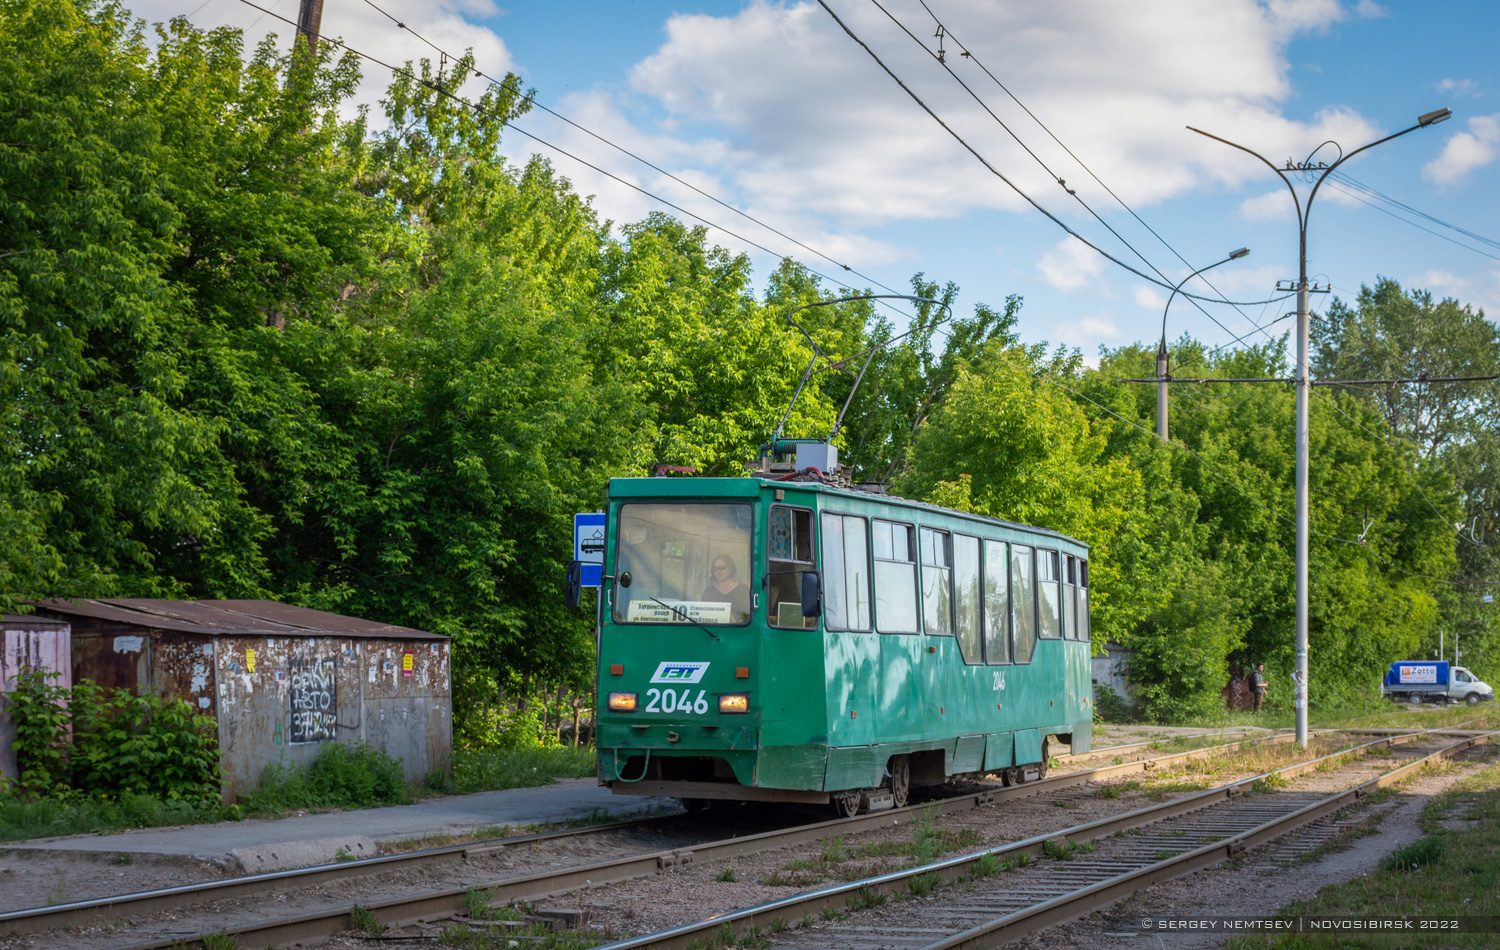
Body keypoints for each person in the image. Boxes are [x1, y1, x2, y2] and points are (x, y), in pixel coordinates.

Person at [699, 554, 750, 622]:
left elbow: (747, 616)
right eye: (715, 569)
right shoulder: (708, 592)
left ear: (730, 568)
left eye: (722, 567)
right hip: (712, 631)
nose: (718, 571)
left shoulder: (743, 590)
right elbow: (703, 615)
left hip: (737, 630)